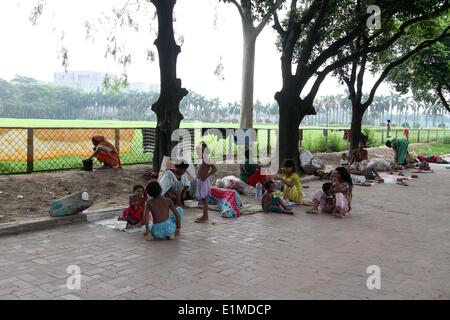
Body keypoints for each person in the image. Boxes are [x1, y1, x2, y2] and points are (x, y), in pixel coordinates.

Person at [195, 143, 217, 223]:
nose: (197, 153)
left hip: (204, 181)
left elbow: (214, 169)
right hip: (201, 181)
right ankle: (204, 215)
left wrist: (207, 175)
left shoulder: (206, 159)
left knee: (205, 200)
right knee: (204, 200)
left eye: (198, 151)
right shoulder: (202, 159)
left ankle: (205, 216)